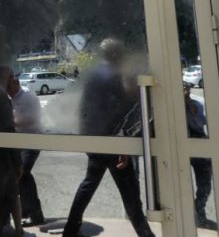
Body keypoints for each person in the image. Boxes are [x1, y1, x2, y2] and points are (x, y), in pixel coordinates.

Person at [62, 39, 155, 237]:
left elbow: (86, 109)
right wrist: (121, 146)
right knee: (130, 193)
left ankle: (70, 231)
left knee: (89, 184)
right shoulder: (113, 75)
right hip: (110, 143)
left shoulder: (95, 75)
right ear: (115, 55)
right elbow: (116, 112)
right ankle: (146, 234)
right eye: (122, 54)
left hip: (95, 140)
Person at [4, 75, 45, 227]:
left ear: (17, 83)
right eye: (6, 88)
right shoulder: (10, 98)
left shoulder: (29, 96)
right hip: (19, 142)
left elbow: (32, 119)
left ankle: (36, 214)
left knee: (23, 173)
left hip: (32, 140)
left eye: (9, 87)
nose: (8, 91)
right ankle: (28, 209)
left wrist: (9, 122)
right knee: (19, 173)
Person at [0, 65, 23, 237]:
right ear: (7, 77)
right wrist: (18, 163)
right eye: (12, 76)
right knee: (9, 196)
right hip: (2, 159)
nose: (14, 80)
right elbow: (9, 132)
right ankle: (16, 231)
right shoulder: (1, 97)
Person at [184, 83, 217, 230]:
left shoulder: (196, 104)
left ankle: (199, 212)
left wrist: (190, 107)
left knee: (204, 183)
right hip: (180, 145)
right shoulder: (169, 108)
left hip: (198, 141)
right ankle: (186, 214)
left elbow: (200, 123)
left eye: (186, 90)